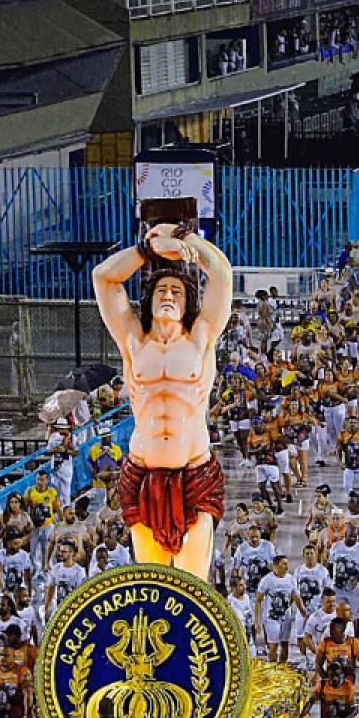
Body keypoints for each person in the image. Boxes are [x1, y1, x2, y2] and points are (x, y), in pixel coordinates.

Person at [91, 221, 235, 576]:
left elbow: (221, 275)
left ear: (187, 304)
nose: (169, 296)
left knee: (191, 581)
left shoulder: (201, 337)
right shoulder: (132, 340)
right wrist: (148, 249)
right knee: (153, 581)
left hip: (194, 472)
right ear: (149, 300)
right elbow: (103, 277)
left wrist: (183, 240)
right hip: (144, 472)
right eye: (161, 291)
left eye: (176, 292)